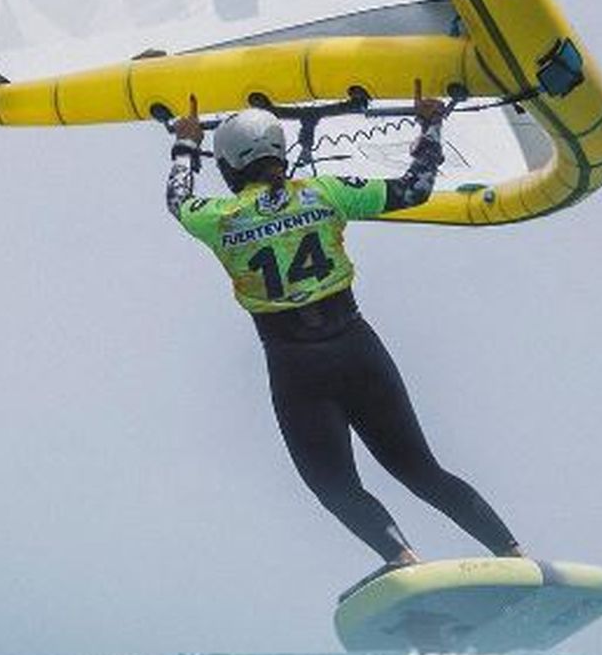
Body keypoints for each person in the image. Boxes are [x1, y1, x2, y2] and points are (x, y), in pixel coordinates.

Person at [164, 89, 523, 585]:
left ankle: (402, 559)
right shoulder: (325, 192)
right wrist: (430, 125)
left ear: (227, 167)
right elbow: (414, 190)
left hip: (295, 366)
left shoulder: (217, 218)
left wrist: (185, 142)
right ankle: (513, 553)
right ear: (278, 152)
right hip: (358, 349)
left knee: (333, 486)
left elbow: (177, 199)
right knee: (420, 469)